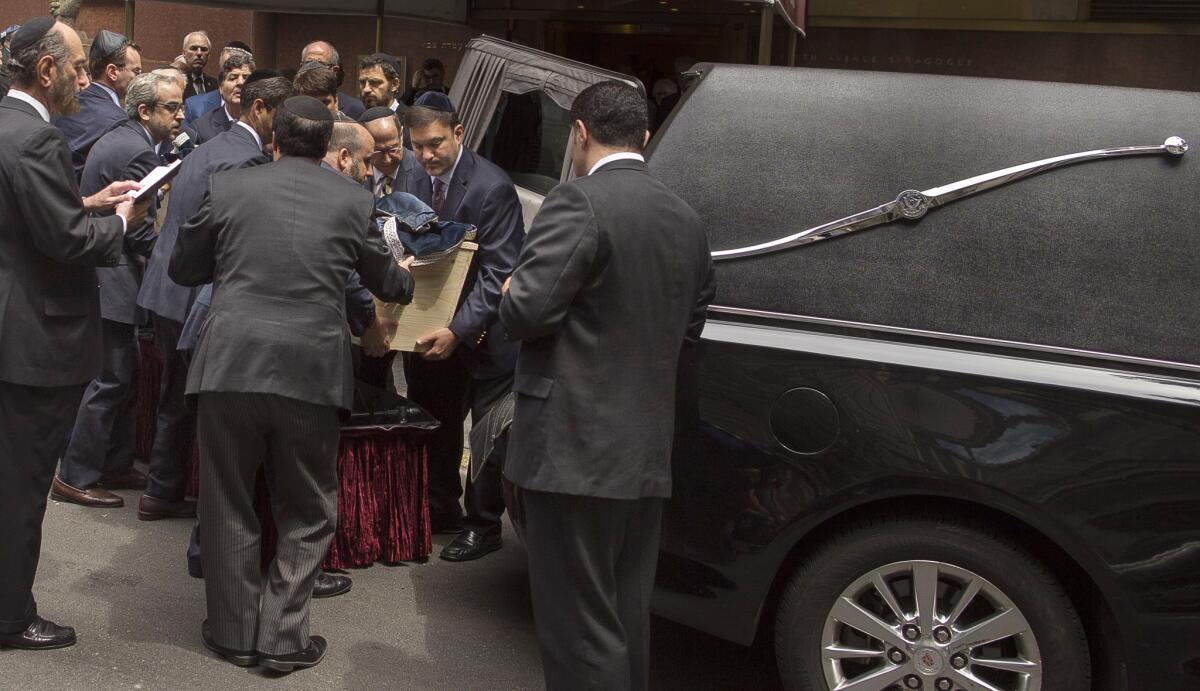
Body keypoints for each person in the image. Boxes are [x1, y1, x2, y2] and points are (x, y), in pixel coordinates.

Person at [169, 95, 414, 672]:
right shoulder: (356, 200)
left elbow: (184, 266)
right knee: (307, 508)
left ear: (274, 140)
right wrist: (406, 278)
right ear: (328, 145)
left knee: (227, 498)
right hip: (311, 371)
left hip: (231, 362)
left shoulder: (230, 188)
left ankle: (232, 632)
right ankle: (282, 637)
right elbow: (388, 281)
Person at [499, 80, 715, 690]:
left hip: (573, 450)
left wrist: (512, 289)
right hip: (644, 450)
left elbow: (527, 313)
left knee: (578, 630)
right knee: (623, 617)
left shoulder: (578, 203)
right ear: (644, 137)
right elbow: (692, 324)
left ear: (579, 133)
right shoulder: (686, 219)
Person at [0, 16, 148, 651]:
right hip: (35, 338)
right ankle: (10, 616)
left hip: (17, 324)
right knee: (22, 488)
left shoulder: (9, 126)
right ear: (46, 69)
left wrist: (86, 204)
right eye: (79, 67)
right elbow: (62, 242)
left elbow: (30, 215)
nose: (84, 80)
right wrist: (118, 222)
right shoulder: (36, 137)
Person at [137, 70, 290, 530]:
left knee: (175, 400)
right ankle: (174, 495)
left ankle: (161, 489)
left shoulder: (214, 147)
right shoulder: (242, 161)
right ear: (260, 109)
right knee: (198, 406)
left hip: (167, 288)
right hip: (192, 295)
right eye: (281, 116)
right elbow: (222, 240)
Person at [51, 73, 184, 511]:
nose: (180, 113)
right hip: (115, 279)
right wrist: (174, 257)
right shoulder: (138, 150)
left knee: (119, 378)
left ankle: (115, 463)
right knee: (110, 380)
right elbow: (138, 231)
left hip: (107, 276)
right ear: (145, 111)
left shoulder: (121, 137)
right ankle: (75, 476)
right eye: (171, 107)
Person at [400, 95, 524, 560]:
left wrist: (459, 330)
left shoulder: (492, 187)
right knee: (436, 421)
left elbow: (499, 273)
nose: (427, 157)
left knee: (486, 433)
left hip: (484, 332)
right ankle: (439, 507)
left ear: (459, 133)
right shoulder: (412, 173)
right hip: (431, 327)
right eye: (417, 147)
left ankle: (482, 524)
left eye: (435, 145)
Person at [51, 29, 140, 179]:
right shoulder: (118, 121)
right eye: (136, 71)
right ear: (112, 72)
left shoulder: (64, 104)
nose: (139, 78)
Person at [189, 52, 253, 145]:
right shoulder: (201, 129)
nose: (240, 83)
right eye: (233, 78)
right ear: (220, 87)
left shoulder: (263, 123)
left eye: (246, 78)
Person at [184, 41, 251, 124]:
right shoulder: (195, 107)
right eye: (227, 67)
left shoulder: (261, 111)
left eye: (245, 76)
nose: (240, 82)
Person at [300, 40, 364, 119]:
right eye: (308, 63)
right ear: (301, 67)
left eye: (320, 64)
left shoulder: (354, 109)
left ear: (335, 70)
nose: (313, 68)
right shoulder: (288, 106)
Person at [180, 30, 215, 101]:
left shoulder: (215, 85)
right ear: (184, 53)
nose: (199, 53)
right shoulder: (176, 83)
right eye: (194, 48)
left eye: (204, 49)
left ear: (209, 55)